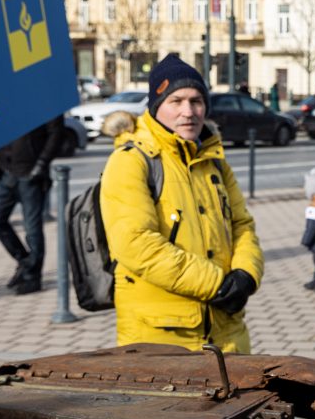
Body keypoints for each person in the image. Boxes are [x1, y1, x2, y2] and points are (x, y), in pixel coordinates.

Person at [100, 54, 264, 353]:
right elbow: (136, 244)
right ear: (156, 106)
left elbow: (242, 225)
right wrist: (217, 285)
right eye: (176, 101)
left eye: (196, 101)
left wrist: (246, 275)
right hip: (161, 337)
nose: (188, 111)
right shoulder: (131, 161)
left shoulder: (214, 162)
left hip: (226, 331)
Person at [0, 114, 63, 295]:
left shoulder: (47, 99)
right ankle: (25, 262)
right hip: (6, 171)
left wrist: (41, 164)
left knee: (32, 228)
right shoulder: (13, 97)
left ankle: (32, 277)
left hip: (31, 173)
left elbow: (56, 133)